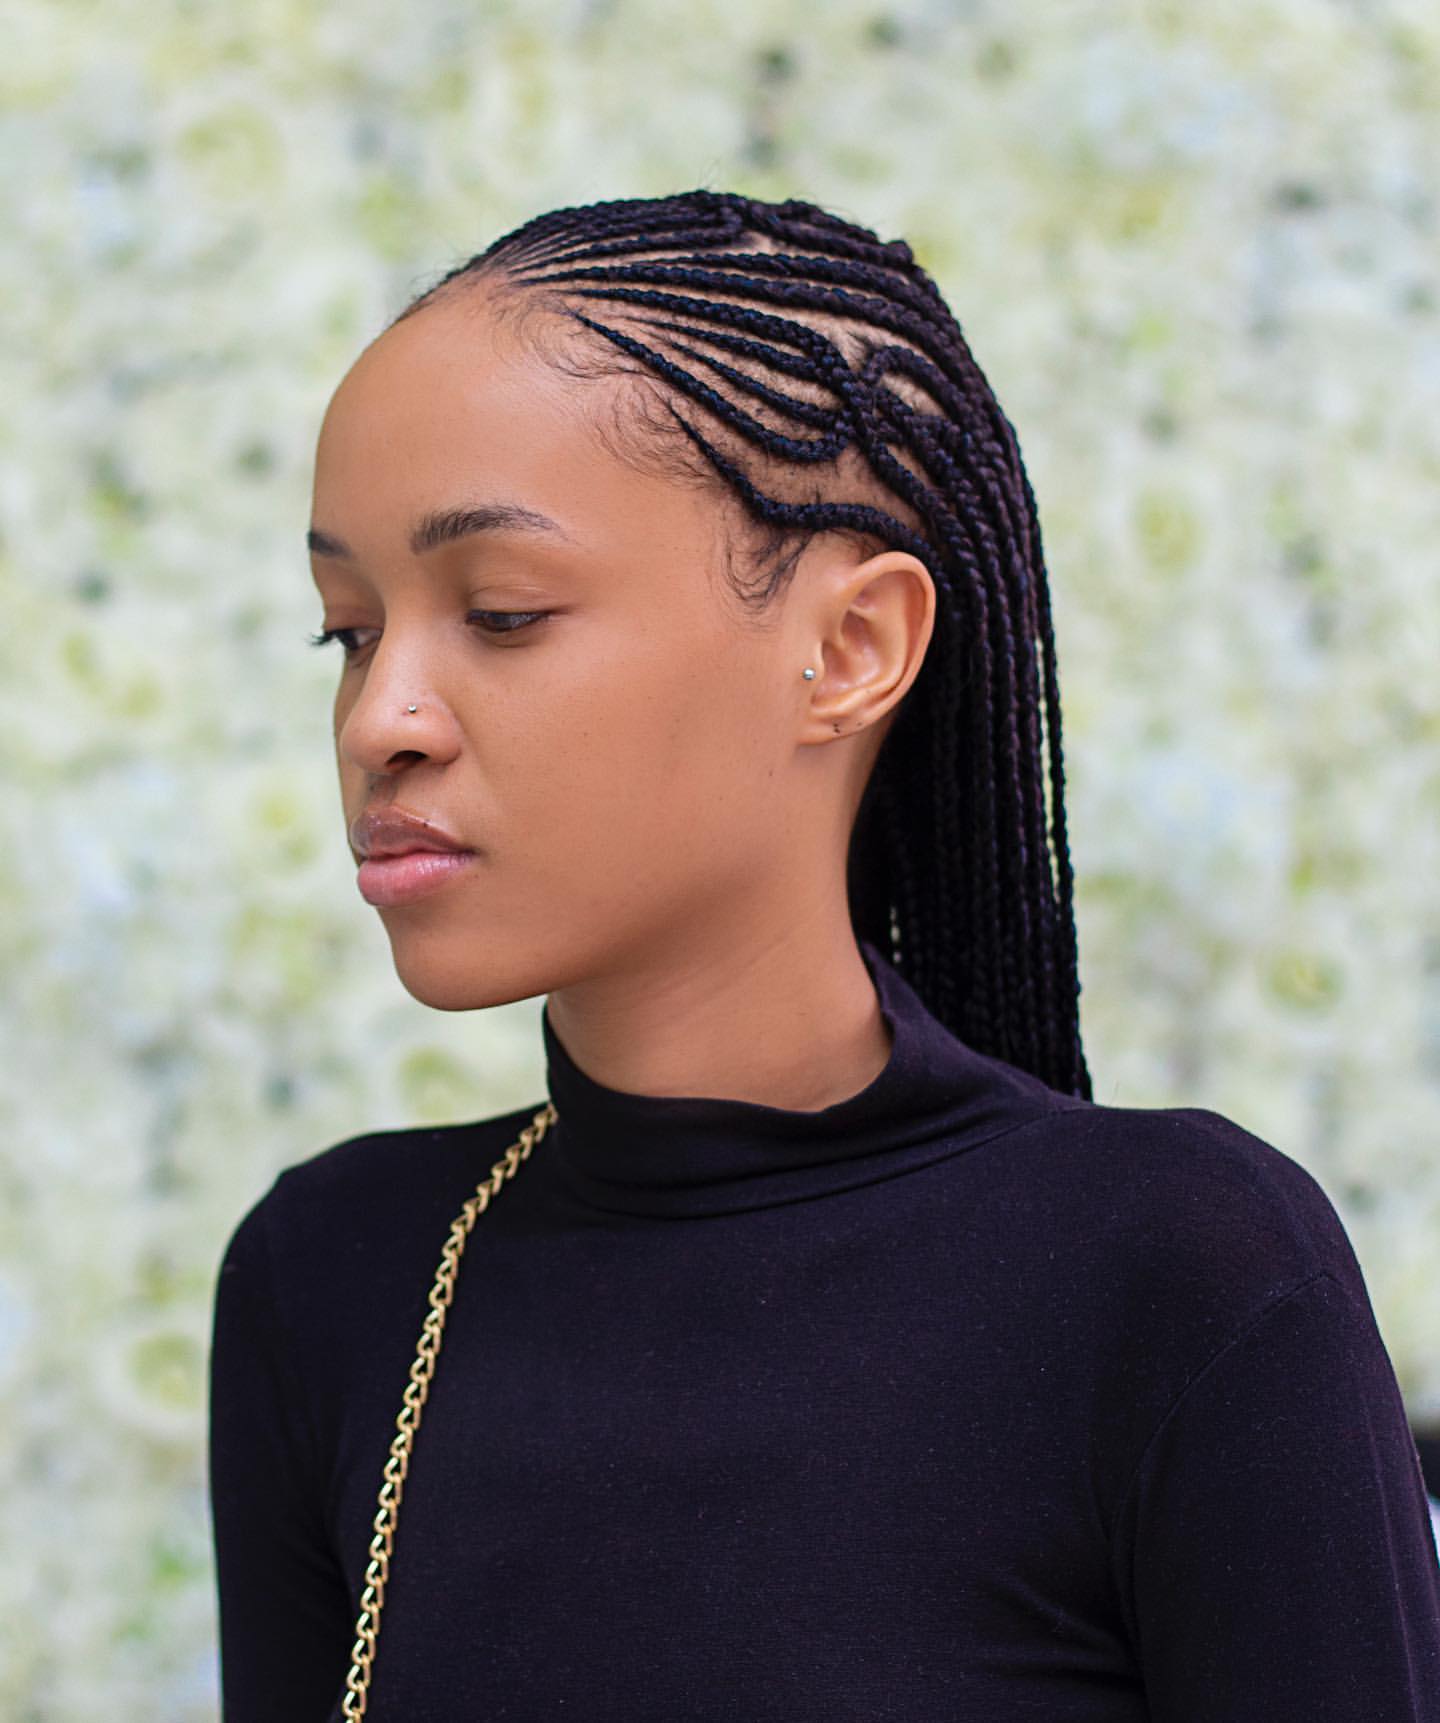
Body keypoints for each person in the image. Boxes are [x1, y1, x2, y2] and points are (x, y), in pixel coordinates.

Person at [207, 190, 1440, 1721]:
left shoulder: (1178, 1273)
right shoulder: (333, 1280)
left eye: (503, 614)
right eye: (347, 629)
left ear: (851, 650)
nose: (382, 718)